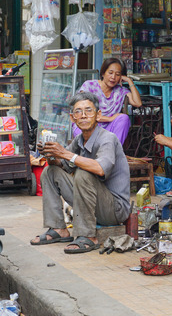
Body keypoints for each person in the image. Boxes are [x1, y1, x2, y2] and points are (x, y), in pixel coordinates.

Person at [31, 92, 131, 254]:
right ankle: (58, 229)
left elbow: (99, 168)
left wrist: (64, 153)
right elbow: (62, 165)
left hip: (114, 210)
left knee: (84, 173)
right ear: (72, 118)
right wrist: (50, 156)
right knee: (50, 171)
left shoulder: (108, 138)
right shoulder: (79, 140)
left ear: (98, 115)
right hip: (91, 201)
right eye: (78, 112)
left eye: (88, 111)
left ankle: (88, 236)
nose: (83, 116)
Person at [72, 58, 142, 144]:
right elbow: (83, 113)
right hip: (88, 126)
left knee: (124, 118)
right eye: (110, 73)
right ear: (103, 73)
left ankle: (112, 150)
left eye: (117, 74)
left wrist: (129, 81)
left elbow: (138, 103)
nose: (113, 77)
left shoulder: (121, 91)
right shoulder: (89, 86)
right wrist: (109, 119)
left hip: (108, 131)